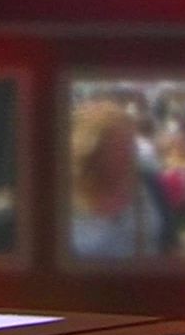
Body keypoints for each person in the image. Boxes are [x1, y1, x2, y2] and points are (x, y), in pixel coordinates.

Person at [69, 99, 164, 258]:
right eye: (118, 147)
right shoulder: (64, 197)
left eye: (130, 143)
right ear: (92, 152)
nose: (130, 153)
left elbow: (169, 243)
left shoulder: (147, 180)